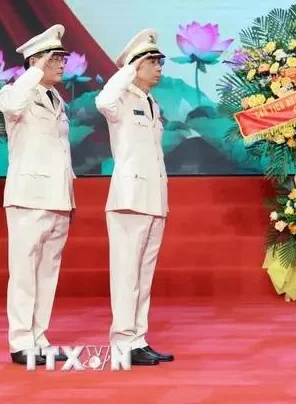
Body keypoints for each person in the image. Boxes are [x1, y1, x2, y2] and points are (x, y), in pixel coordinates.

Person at [0, 24, 74, 366]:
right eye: (55, 58)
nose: (63, 64)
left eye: (62, 57)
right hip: (28, 196)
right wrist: (32, 73)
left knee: (47, 271)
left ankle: (39, 336)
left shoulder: (56, 98)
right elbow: (12, 103)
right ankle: (20, 340)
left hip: (57, 196)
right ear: (36, 61)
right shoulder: (16, 94)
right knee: (25, 270)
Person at [95, 29, 172, 366]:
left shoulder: (150, 102)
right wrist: (127, 68)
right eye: (151, 61)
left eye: (159, 61)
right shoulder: (120, 99)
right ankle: (122, 341)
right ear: (135, 65)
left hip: (153, 197)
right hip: (129, 197)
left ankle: (137, 339)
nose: (159, 68)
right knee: (127, 271)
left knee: (143, 273)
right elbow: (102, 100)